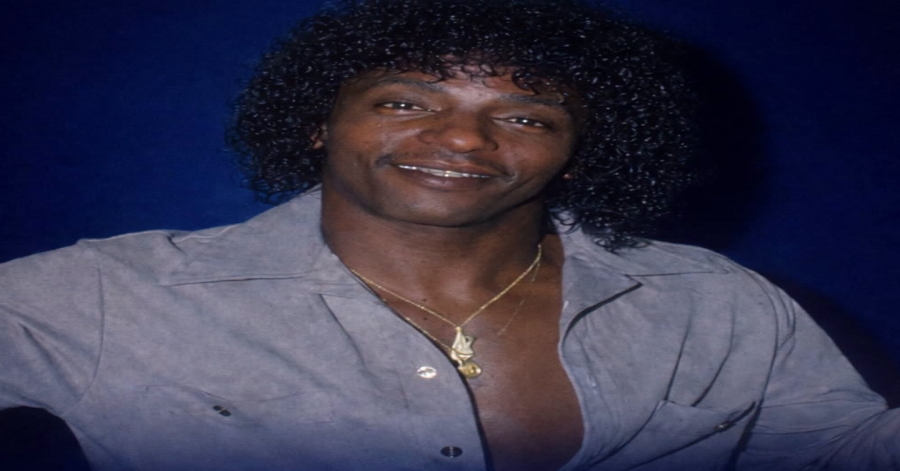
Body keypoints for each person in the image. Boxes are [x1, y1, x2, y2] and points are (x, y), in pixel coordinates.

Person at [1, 0, 897, 470]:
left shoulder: (715, 300)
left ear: (579, 154)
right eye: (405, 102)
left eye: (527, 116)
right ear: (318, 123)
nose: (464, 139)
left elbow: (835, 451)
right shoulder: (111, 295)